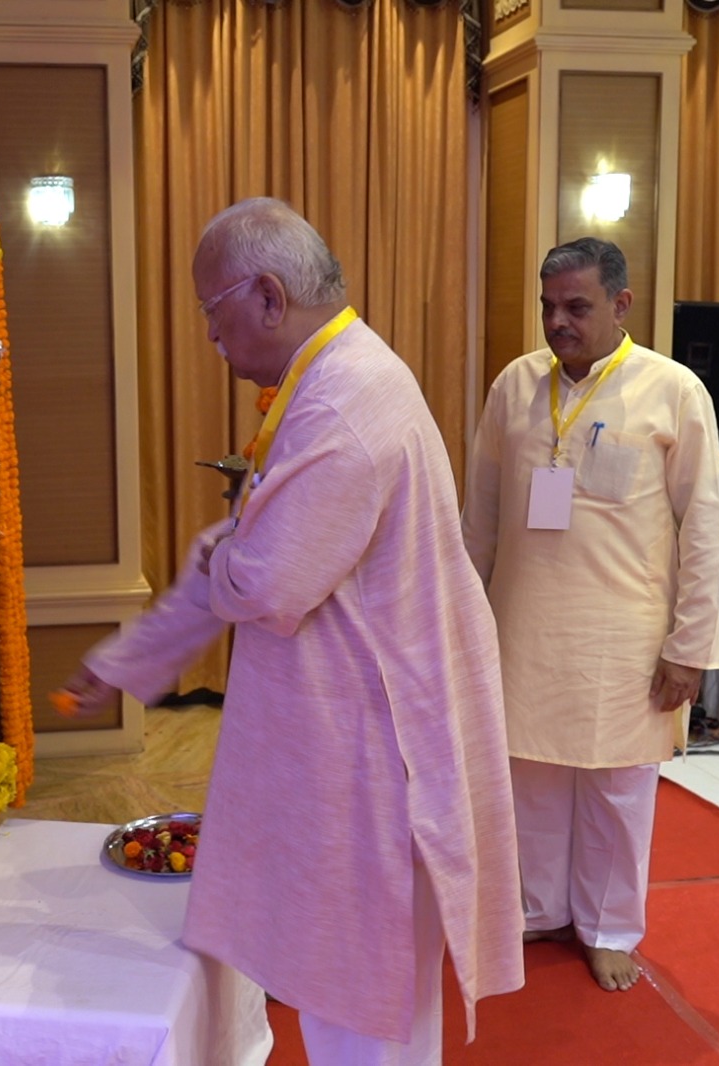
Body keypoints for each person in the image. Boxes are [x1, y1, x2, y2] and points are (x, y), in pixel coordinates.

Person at [60, 198, 524, 1064]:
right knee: (357, 991)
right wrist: (131, 659)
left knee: (363, 1001)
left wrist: (236, 550)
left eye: (211, 309)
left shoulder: (344, 405)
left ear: (269, 297)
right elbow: (240, 558)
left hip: (366, 757)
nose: (209, 334)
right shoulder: (340, 376)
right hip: (355, 736)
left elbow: (267, 579)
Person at [461, 237, 719, 994]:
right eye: (548, 306)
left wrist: (690, 646)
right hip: (523, 626)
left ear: (621, 305)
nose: (557, 322)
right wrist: (461, 620)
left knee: (616, 787)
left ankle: (610, 927)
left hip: (626, 635)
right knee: (532, 776)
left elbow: (704, 527)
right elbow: (479, 519)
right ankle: (539, 906)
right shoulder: (516, 386)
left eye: (576, 307)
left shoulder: (673, 391)